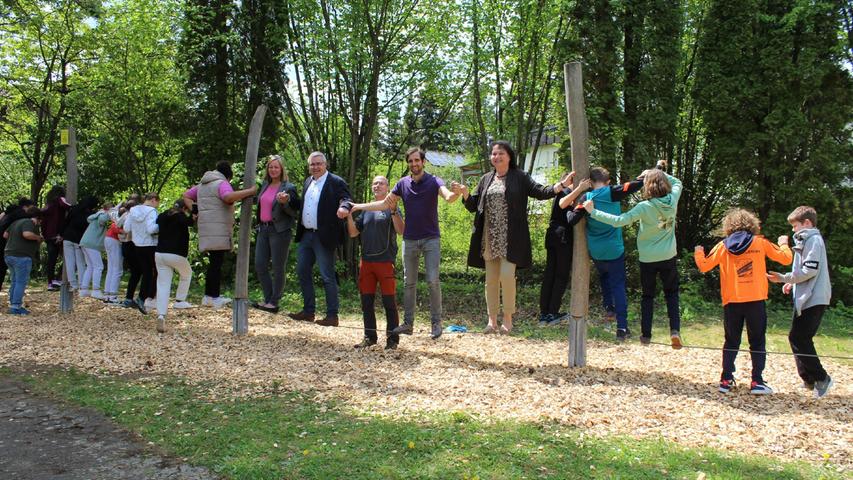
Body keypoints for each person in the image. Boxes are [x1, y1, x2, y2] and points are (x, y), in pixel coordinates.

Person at [458, 141, 572, 334]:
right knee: (491, 280)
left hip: (512, 239)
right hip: (489, 238)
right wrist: (466, 194)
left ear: (509, 156)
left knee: (507, 276)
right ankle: (491, 321)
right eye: (494, 154)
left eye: (500, 153)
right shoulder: (486, 179)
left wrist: (560, 186)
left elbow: (540, 192)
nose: (496, 157)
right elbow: (473, 206)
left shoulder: (520, 177)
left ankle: (508, 320)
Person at [350, 147, 461, 339]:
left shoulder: (434, 181)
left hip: (431, 239)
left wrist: (457, 193)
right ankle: (408, 323)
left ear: (423, 162)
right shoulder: (402, 184)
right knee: (409, 283)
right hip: (409, 239)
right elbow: (385, 204)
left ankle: (436, 323)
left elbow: (448, 197)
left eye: (417, 160)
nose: (414, 164)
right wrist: (358, 206)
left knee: (433, 280)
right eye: (410, 161)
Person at [583, 165, 684, 348]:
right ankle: (675, 330)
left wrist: (593, 212)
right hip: (669, 255)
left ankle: (646, 335)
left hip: (647, 258)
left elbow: (619, 221)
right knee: (672, 294)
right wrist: (658, 172)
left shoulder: (644, 207)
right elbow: (677, 182)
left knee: (648, 296)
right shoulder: (673, 198)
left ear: (647, 186)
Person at [694, 208, 792, 395]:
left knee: (731, 341)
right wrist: (784, 243)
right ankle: (757, 382)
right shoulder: (760, 242)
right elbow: (786, 259)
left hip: (732, 301)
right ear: (752, 224)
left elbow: (704, 266)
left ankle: (726, 379)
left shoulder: (723, 246)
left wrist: (699, 253)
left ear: (728, 226)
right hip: (755, 299)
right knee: (757, 341)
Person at [565, 166, 644, 341]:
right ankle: (622, 328)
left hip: (596, 251)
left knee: (604, 277)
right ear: (608, 182)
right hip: (614, 250)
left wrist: (575, 207)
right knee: (618, 285)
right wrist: (650, 172)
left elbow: (571, 220)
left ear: (591, 183)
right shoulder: (614, 191)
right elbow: (636, 185)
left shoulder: (586, 198)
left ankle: (609, 308)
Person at [767, 206, 834, 399]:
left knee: (799, 337)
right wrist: (791, 284)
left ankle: (821, 378)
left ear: (807, 223)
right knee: (797, 337)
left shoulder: (813, 239)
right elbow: (804, 272)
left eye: (795, 226)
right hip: (809, 296)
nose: (793, 230)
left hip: (815, 298)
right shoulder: (807, 239)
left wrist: (785, 278)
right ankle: (809, 379)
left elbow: (810, 270)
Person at [288, 152, 352, 326]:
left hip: (324, 236)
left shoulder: (336, 182)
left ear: (326, 164)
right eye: (312, 164)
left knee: (327, 275)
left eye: (319, 164)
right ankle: (309, 312)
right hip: (306, 234)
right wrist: (288, 200)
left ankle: (332, 316)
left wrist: (344, 207)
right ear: (309, 166)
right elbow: (303, 206)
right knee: (302, 271)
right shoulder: (308, 181)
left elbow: (347, 199)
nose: (315, 167)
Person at [183, 161, 257, 309]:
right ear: (228, 176)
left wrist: (195, 210)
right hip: (219, 228)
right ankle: (214, 297)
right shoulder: (221, 183)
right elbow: (228, 197)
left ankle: (208, 296)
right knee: (216, 263)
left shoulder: (203, 185)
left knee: (213, 263)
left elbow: (186, 195)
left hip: (206, 227)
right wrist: (249, 191)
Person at [347, 175, 405, 349]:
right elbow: (353, 233)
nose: (377, 186)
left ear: (388, 187)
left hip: (385, 261)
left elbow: (401, 230)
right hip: (366, 262)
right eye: (374, 183)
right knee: (366, 302)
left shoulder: (392, 207)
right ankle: (369, 337)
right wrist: (349, 215)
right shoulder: (365, 209)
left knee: (389, 302)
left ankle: (392, 340)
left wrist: (394, 211)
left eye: (381, 183)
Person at [538, 175, 590, 327]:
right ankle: (551, 313)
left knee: (551, 275)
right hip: (561, 237)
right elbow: (562, 204)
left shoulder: (564, 191)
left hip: (554, 235)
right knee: (559, 276)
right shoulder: (565, 192)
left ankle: (545, 314)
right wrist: (579, 189)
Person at [253, 155, 300, 313]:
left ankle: (274, 302)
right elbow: (260, 204)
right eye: (270, 167)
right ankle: (268, 299)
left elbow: (294, 212)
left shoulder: (289, 187)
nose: (273, 170)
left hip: (279, 231)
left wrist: (284, 203)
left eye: (276, 167)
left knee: (278, 267)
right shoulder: (265, 185)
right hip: (263, 229)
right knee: (260, 265)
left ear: (281, 169)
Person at [154, 200, 196, 332]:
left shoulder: (162, 215)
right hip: (175, 254)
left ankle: (161, 314)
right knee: (187, 274)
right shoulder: (180, 217)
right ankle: (179, 301)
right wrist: (194, 212)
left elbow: (157, 223)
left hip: (159, 254)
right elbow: (190, 222)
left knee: (163, 284)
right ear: (184, 208)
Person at [3, 203, 42, 315]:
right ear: (37, 218)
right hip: (21, 256)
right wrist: (38, 237)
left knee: (15, 280)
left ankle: (12, 304)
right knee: (21, 281)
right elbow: (27, 234)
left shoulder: (15, 222)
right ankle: (16, 307)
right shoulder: (28, 222)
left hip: (9, 254)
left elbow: (5, 235)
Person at [125, 193, 161, 313]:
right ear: (153, 200)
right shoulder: (152, 211)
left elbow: (126, 228)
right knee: (150, 273)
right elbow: (151, 229)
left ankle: (136, 298)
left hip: (137, 244)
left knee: (144, 271)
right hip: (150, 244)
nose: (157, 206)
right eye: (157, 203)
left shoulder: (133, 210)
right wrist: (161, 226)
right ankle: (142, 298)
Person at [61, 196, 98, 292]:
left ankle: (73, 284)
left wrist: (61, 234)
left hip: (67, 237)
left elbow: (66, 221)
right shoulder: (90, 214)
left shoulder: (73, 209)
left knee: (69, 262)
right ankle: (82, 284)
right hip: (79, 239)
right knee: (80, 262)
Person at [0, 199, 36, 292]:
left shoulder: (7, 213)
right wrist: (32, 217)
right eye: (31, 208)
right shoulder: (19, 213)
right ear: (25, 206)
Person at [79, 201, 113, 299]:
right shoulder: (102, 215)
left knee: (90, 266)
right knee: (98, 267)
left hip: (85, 243)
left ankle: (84, 290)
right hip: (92, 244)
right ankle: (96, 290)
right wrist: (109, 213)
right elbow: (103, 220)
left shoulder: (97, 215)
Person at [40, 185, 71, 291]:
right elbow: (68, 206)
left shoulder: (47, 205)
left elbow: (43, 223)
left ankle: (50, 282)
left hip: (49, 236)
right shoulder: (59, 201)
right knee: (68, 257)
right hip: (58, 235)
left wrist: (45, 235)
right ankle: (58, 279)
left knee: (51, 259)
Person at [103, 202, 127, 304]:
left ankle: (107, 295)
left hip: (108, 239)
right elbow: (116, 229)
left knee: (111, 268)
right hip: (114, 241)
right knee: (117, 269)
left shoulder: (114, 216)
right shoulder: (118, 218)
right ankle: (113, 296)